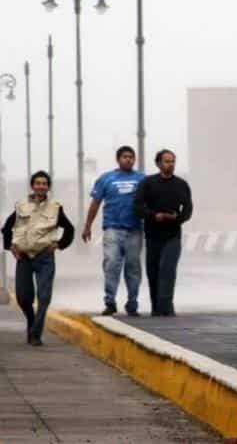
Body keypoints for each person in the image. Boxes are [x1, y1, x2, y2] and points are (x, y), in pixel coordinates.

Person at [1, 171, 74, 346]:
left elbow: (69, 229)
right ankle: (32, 320)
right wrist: (10, 246)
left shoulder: (56, 207)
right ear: (32, 186)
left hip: (45, 257)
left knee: (44, 296)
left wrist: (59, 245)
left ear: (48, 187)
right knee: (23, 297)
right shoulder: (21, 206)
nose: (41, 186)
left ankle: (35, 334)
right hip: (24, 256)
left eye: (44, 183)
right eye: (38, 183)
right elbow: (6, 228)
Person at [82, 146, 145, 316]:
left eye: (131, 157)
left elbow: (150, 203)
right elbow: (95, 203)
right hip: (112, 229)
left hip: (135, 230)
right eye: (125, 157)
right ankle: (110, 301)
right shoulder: (106, 179)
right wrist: (88, 225)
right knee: (111, 264)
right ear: (118, 159)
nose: (128, 159)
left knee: (133, 267)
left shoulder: (142, 179)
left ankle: (132, 303)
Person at [133, 149, 192, 316]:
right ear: (158, 163)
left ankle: (166, 306)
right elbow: (137, 206)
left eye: (173, 161)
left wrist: (177, 218)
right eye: (167, 161)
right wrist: (153, 215)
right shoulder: (147, 183)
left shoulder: (181, 185)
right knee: (153, 272)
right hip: (152, 235)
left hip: (173, 235)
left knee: (167, 269)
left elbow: (188, 210)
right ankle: (156, 307)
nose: (170, 164)